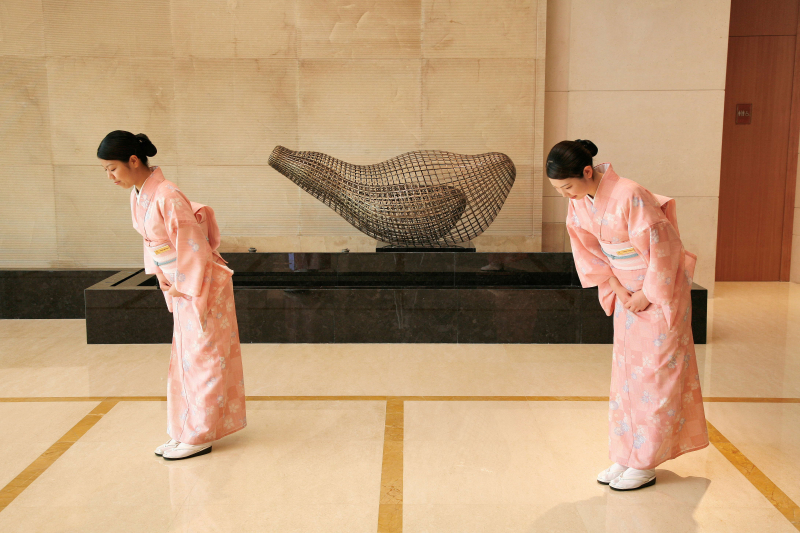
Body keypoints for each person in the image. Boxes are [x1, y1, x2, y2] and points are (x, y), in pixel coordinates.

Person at [547, 139, 708, 491]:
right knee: (626, 378)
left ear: (587, 172)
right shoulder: (580, 202)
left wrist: (647, 293)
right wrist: (616, 288)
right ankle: (626, 454)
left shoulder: (630, 194)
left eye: (567, 187)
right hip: (625, 293)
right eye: (559, 190)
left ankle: (646, 462)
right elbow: (588, 250)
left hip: (659, 292)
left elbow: (665, 246)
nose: (565, 196)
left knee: (656, 378)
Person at [97, 131, 246, 460]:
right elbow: (153, 244)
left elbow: (193, 246)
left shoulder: (167, 194)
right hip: (179, 282)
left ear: (133, 161)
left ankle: (200, 434)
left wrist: (183, 283)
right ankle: (183, 430)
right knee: (185, 358)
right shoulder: (139, 195)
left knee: (205, 358)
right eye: (105, 170)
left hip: (201, 283)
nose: (109, 177)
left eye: (112, 168)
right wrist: (163, 277)